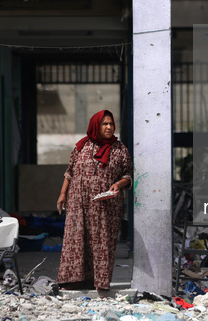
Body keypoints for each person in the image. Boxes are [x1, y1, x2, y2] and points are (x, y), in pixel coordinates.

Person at [56, 110, 133, 292]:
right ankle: (74, 280)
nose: (108, 127)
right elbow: (69, 172)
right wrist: (62, 194)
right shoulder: (81, 147)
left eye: (111, 124)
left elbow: (129, 175)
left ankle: (99, 281)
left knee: (101, 241)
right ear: (95, 126)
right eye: (104, 124)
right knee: (77, 239)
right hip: (79, 202)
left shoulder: (119, 149)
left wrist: (118, 184)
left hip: (105, 205)